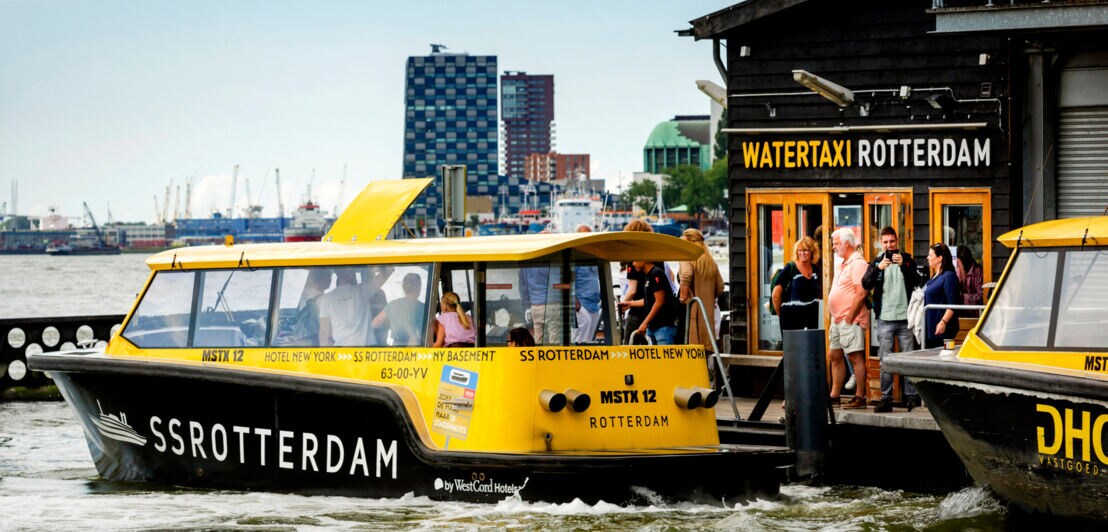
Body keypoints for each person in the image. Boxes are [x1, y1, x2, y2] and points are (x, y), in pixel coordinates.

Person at [862, 227, 922, 413]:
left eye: (892, 242)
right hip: (885, 319)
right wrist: (878, 269)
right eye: (886, 242)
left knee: (908, 360)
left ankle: (912, 398)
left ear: (897, 241)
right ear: (881, 243)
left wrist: (904, 264)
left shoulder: (907, 259)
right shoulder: (877, 262)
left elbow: (917, 281)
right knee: (885, 361)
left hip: (905, 318)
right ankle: (885, 398)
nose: (889, 245)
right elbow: (865, 283)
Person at [827, 227, 869, 409]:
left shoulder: (858, 263)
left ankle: (860, 396)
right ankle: (834, 395)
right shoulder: (842, 263)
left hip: (849, 318)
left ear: (846, 243)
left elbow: (861, 293)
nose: (833, 247)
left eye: (835, 243)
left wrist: (850, 317)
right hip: (838, 318)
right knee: (834, 354)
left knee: (854, 356)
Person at [319, 266, 394, 346]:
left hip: (341, 353)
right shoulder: (362, 291)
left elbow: (324, 333)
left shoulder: (325, 299)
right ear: (351, 273)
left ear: (337, 273)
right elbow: (388, 271)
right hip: (366, 349)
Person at [679, 228, 725, 351]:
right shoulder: (710, 261)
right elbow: (720, 286)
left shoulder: (687, 258)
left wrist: (683, 297)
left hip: (692, 309)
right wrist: (709, 297)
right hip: (707, 310)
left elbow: (686, 275)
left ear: (690, 242)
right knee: (706, 347)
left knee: (692, 347)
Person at [621, 260, 678, 345]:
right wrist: (630, 304)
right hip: (652, 327)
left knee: (664, 357)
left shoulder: (656, 273)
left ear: (644, 260)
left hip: (663, 326)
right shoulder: (648, 275)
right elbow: (649, 300)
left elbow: (659, 301)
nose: (633, 264)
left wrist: (645, 323)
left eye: (635, 260)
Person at [772, 236, 822, 332]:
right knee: (794, 347)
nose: (802, 253)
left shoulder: (815, 269)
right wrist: (782, 315)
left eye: (806, 250)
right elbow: (775, 295)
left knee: (810, 346)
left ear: (812, 252)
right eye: (800, 250)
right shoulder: (790, 268)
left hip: (812, 320)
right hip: (791, 321)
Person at [620, 219, 654, 344]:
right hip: (654, 311)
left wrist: (623, 304)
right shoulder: (656, 256)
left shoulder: (634, 258)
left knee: (630, 344)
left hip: (637, 311)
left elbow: (632, 290)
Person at [371, 272, 425, 346]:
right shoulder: (424, 308)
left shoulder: (392, 305)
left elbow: (375, 324)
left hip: (396, 351)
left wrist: (392, 323)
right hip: (418, 350)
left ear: (403, 288)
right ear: (419, 288)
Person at [924, 243, 960, 349]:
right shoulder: (935, 276)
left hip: (944, 330)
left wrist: (943, 322)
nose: (927, 258)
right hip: (931, 329)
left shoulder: (949, 276)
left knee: (946, 357)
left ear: (939, 258)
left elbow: (952, 303)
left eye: (931, 255)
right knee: (932, 360)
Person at [572, 224, 602, 344]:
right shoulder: (574, 258)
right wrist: (577, 305)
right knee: (580, 340)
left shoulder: (593, 256)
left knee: (591, 340)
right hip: (582, 305)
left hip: (594, 304)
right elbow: (568, 282)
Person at [519, 264, 562, 344]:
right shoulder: (548, 261)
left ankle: (537, 355)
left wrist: (527, 307)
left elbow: (523, 288)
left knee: (538, 338)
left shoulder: (526, 265)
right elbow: (554, 283)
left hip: (535, 306)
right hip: (551, 304)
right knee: (554, 339)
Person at [288, 268, 331, 346]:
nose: (331, 279)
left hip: (301, 340)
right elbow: (324, 330)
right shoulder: (323, 299)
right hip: (314, 342)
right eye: (329, 277)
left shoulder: (305, 293)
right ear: (321, 278)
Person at [956, 246, 984, 317]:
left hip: (976, 315)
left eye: (958, 263)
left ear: (964, 261)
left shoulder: (978, 272)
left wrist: (963, 297)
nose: (957, 265)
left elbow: (980, 297)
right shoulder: (958, 271)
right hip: (961, 313)